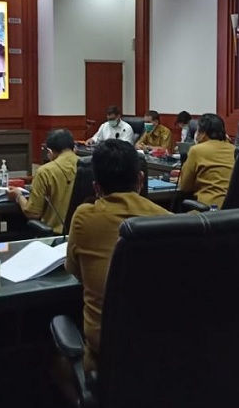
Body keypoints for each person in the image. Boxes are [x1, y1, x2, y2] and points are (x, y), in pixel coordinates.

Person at [65, 139, 171, 370]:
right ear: (141, 180)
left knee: (54, 363)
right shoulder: (168, 219)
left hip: (105, 353)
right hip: (160, 348)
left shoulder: (84, 217)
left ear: (96, 187)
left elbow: (73, 270)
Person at [7, 129, 78, 234]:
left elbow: (32, 212)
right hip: (82, 234)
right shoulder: (89, 165)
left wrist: (18, 196)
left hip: (55, 236)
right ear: (74, 149)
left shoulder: (45, 171)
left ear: (49, 152)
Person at [178, 113, 235, 209]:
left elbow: (185, 187)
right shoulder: (234, 149)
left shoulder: (197, 150)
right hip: (234, 210)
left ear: (203, 133)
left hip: (208, 210)